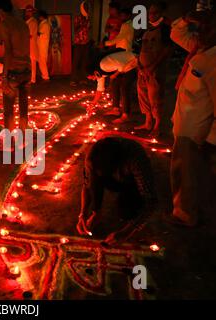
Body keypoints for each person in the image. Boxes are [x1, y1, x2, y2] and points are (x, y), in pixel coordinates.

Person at [167, 8, 216, 227]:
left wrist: (212, 139)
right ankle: (185, 209)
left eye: (209, 28)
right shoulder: (199, 49)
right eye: (201, 27)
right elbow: (176, 34)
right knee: (182, 170)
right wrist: (186, 18)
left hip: (195, 129)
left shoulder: (213, 60)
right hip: (184, 121)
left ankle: (186, 215)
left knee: (187, 172)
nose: (202, 32)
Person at [76, 137, 156, 245]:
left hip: (130, 181)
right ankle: (97, 212)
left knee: (127, 212)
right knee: (94, 181)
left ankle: (126, 196)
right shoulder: (92, 158)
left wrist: (126, 232)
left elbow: (151, 201)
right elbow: (87, 186)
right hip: (112, 174)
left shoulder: (136, 158)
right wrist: (83, 214)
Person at [135, 2, 172, 137]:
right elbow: (142, 49)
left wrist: (152, 66)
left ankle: (157, 125)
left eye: (155, 12)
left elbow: (167, 49)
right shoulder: (147, 29)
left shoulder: (165, 29)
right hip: (142, 69)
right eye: (149, 13)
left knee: (155, 97)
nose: (151, 15)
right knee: (143, 95)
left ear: (161, 13)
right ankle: (148, 121)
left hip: (155, 70)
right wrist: (139, 64)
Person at [0, 0, 31, 131]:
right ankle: (23, 135)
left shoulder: (5, 24)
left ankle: (9, 141)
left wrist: (4, 77)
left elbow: (8, 51)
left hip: (13, 71)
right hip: (27, 69)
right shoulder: (23, 24)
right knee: (23, 108)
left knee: (9, 110)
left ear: (0, 11)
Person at [88, 50, 137, 124]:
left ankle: (126, 115)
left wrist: (114, 75)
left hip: (132, 61)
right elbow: (100, 88)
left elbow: (121, 66)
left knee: (124, 87)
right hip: (123, 67)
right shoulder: (99, 73)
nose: (93, 79)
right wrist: (93, 103)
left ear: (94, 72)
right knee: (115, 84)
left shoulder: (104, 65)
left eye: (92, 78)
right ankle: (116, 110)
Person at [71, 1, 91, 86]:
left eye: (88, 7)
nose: (87, 9)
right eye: (85, 7)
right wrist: (83, 23)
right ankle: (74, 80)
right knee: (76, 62)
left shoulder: (88, 18)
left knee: (84, 62)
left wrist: (88, 24)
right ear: (82, 8)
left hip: (86, 42)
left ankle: (83, 79)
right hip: (78, 43)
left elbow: (88, 29)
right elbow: (76, 29)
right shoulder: (78, 17)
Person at [24, 5, 38, 84]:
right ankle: (30, 78)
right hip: (28, 45)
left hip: (31, 45)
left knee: (32, 63)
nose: (27, 13)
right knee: (29, 63)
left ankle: (32, 79)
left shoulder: (33, 22)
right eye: (26, 11)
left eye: (28, 11)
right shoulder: (28, 22)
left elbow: (30, 35)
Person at [37, 10, 51, 81]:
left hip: (43, 46)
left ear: (42, 17)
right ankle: (44, 76)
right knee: (41, 61)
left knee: (42, 61)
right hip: (41, 45)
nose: (38, 18)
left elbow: (39, 33)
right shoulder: (43, 24)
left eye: (39, 16)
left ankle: (46, 77)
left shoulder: (45, 24)